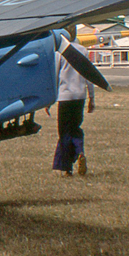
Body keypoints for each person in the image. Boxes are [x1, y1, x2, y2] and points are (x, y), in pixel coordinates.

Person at [52, 26, 95, 176]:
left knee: (64, 132)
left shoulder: (60, 52)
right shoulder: (83, 50)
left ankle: (66, 167)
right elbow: (89, 75)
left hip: (65, 95)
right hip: (80, 95)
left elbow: (55, 75)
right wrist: (92, 97)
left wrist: (51, 97)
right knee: (76, 127)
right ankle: (80, 150)